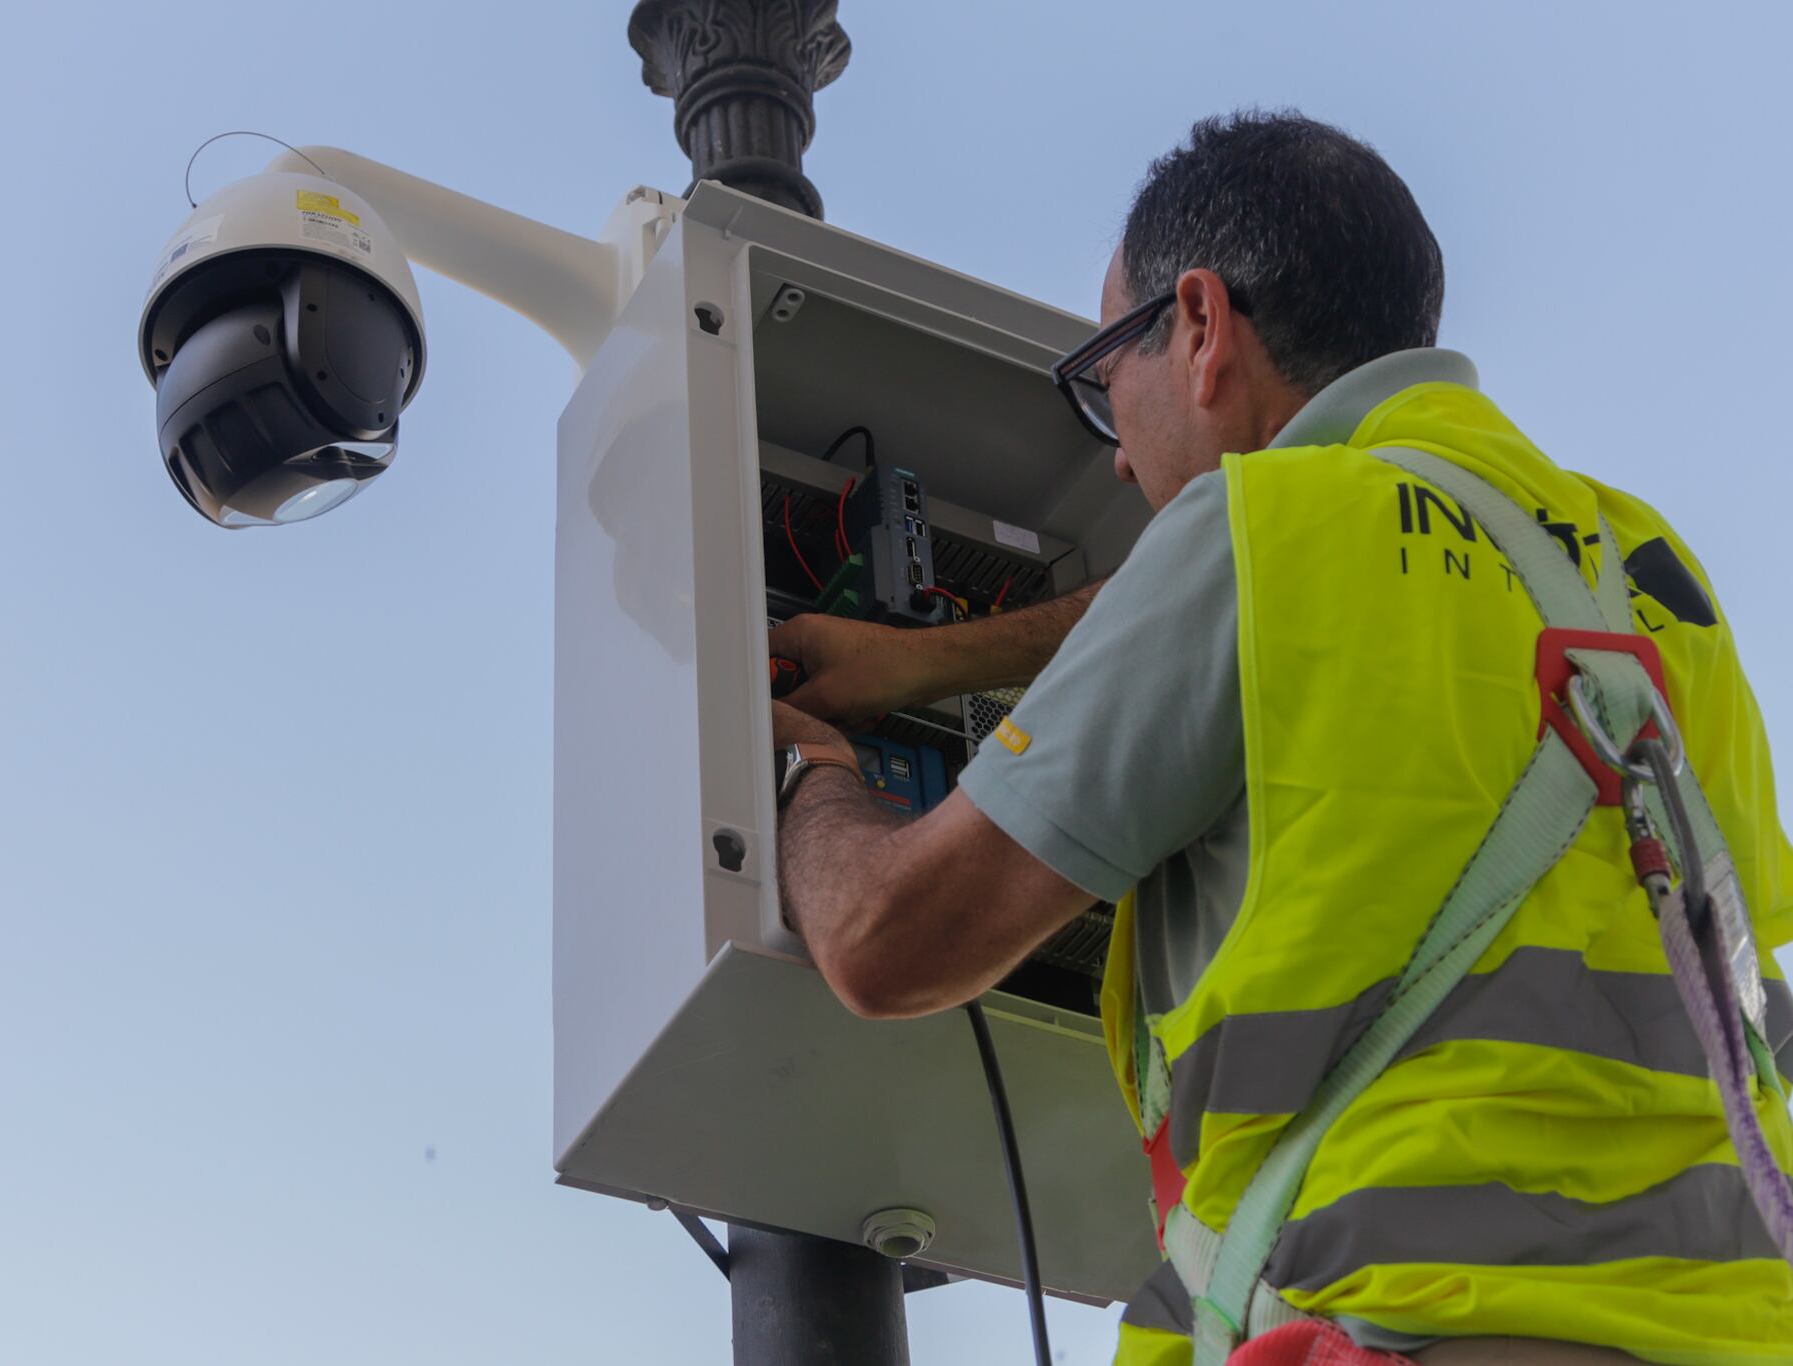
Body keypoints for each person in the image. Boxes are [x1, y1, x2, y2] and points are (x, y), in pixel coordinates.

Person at [767, 111, 1793, 1365]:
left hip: (1409, 1326)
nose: (1120, 460)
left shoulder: (1261, 529)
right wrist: (933, 659)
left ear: (1197, 325)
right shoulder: (1648, 581)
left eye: (1105, 386)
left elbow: (886, 943)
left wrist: (813, 782)